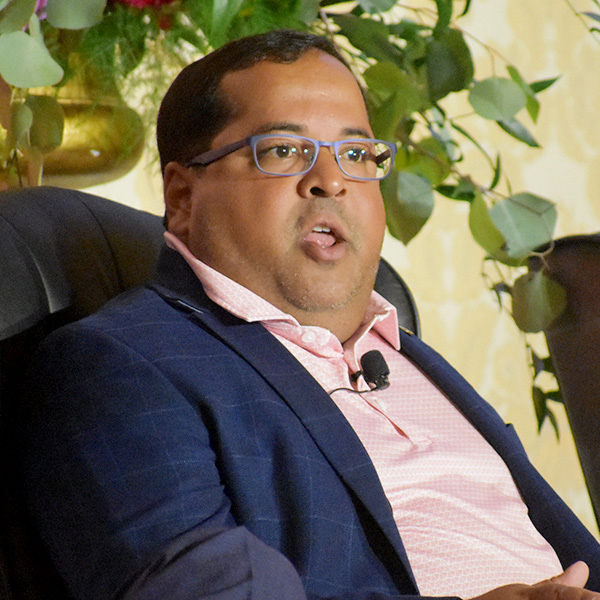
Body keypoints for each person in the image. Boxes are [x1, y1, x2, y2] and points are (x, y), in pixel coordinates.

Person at [22, 29, 600, 600]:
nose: (331, 181)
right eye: (283, 150)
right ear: (182, 197)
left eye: (356, 154)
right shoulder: (120, 366)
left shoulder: (410, 354)